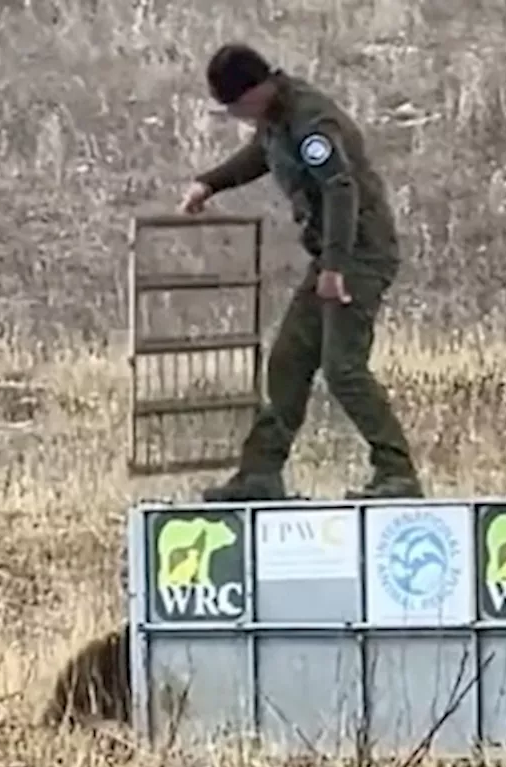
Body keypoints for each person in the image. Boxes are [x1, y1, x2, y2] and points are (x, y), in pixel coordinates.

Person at [180, 43, 424, 501]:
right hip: (332, 257)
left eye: (237, 106)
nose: (239, 116)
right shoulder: (275, 119)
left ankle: (397, 474)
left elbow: (340, 189)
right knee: (289, 360)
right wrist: (208, 183)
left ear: (258, 89)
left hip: (359, 254)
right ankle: (260, 475)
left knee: (343, 367)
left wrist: (334, 267)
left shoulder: (312, 123)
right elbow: (260, 154)